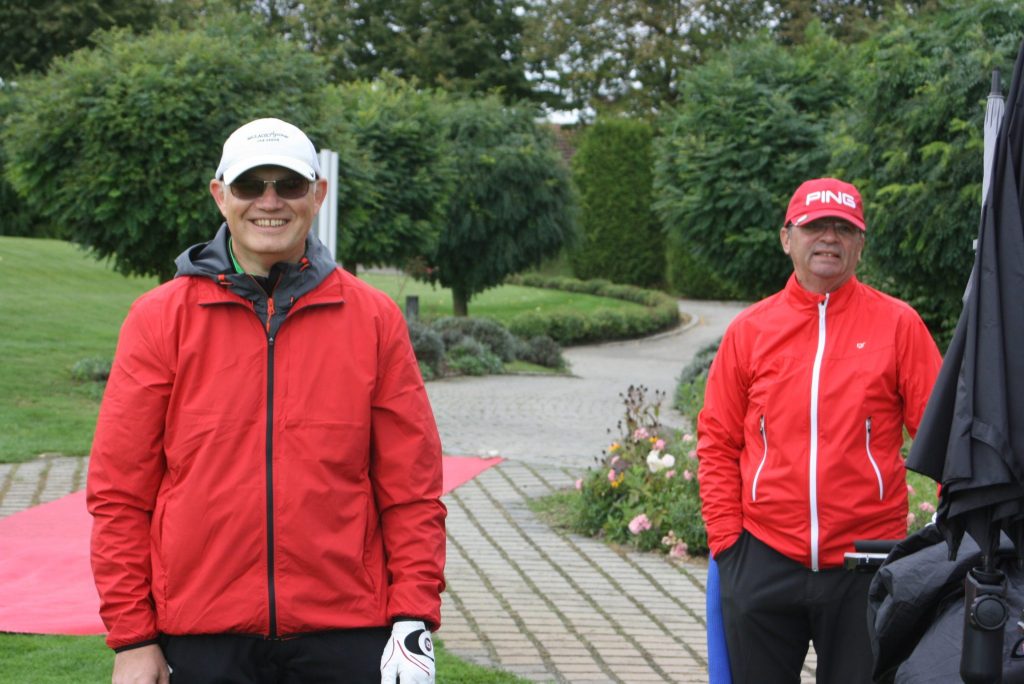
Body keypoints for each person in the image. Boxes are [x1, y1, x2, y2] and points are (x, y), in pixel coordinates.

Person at [87, 117, 446, 684]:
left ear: (317, 194)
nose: (270, 202)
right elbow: (120, 493)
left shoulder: (374, 319)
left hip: (346, 630)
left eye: (290, 184)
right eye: (251, 185)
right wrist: (133, 638)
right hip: (202, 634)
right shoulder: (159, 319)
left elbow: (412, 488)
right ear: (221, 195)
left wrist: (413, 617)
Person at [697, 177, 942, 683]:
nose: (829, 238)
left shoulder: (898, 325)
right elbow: (718, 440)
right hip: (763, 558)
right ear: (787, 238)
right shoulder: (750, 330)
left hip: (867, 565)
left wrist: (950, 536)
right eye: (815, 226)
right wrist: (728, 543)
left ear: (860, 245)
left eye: (843, 228)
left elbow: (943, 438)